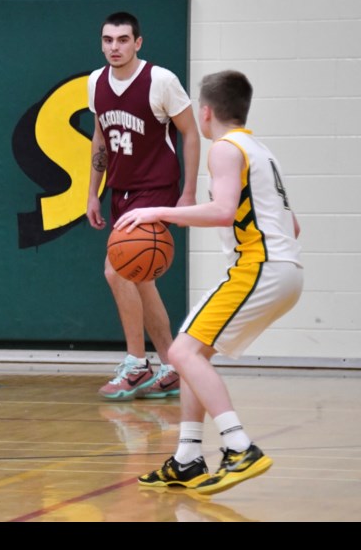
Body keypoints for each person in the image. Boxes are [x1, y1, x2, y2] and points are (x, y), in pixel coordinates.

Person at [116, 69, 303, 494]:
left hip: (260, 267)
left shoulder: (224, 148)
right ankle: (187, 457)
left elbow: (221, 211)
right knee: (192, 352)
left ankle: (239, 446)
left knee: (181, 351)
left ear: (204, 113)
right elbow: (292, 226)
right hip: (286, 270)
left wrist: (157, 212)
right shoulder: (261, 151)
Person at [86, 11, 201, 400]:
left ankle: (137, 364)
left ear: (138, 42)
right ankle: (172, 367)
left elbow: (190, 133)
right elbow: (100, 139)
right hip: (121, 190)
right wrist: (92, 192)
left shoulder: (161, 80)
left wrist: (187, 192)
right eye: (107, 40)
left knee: (116, 271)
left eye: (122, 40)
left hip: (156, 187)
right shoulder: (96, 83)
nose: (113, 47)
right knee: (139, 276)